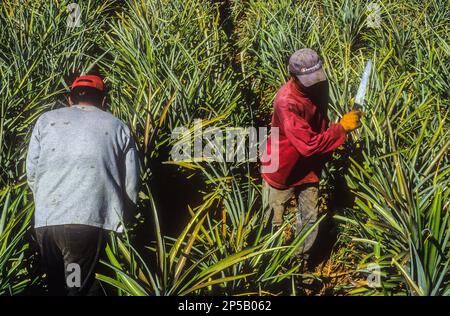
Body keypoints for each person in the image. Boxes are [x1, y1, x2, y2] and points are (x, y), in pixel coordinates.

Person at [26, 74, 140, 295]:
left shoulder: (46, 120)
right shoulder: (118, 127)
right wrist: (124, 216)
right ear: (104, 100)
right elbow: (131, 184)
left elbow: (31, 173)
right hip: (83, 226)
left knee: (57, 287)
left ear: (70, 99)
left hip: (47, 224)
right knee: (76, 287)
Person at [261, 48, 361, 264]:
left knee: (309, 218)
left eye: (317, 78)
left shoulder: (318, 85)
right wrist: (341, 128)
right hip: (282, 166)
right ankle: (267, 267)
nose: (315, 84)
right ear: (292, 77)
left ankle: (300, 265)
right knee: (272, 220)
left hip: (308, 166)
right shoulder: (286, 101)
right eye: (308, 80)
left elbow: (319, 123)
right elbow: (307, 145)